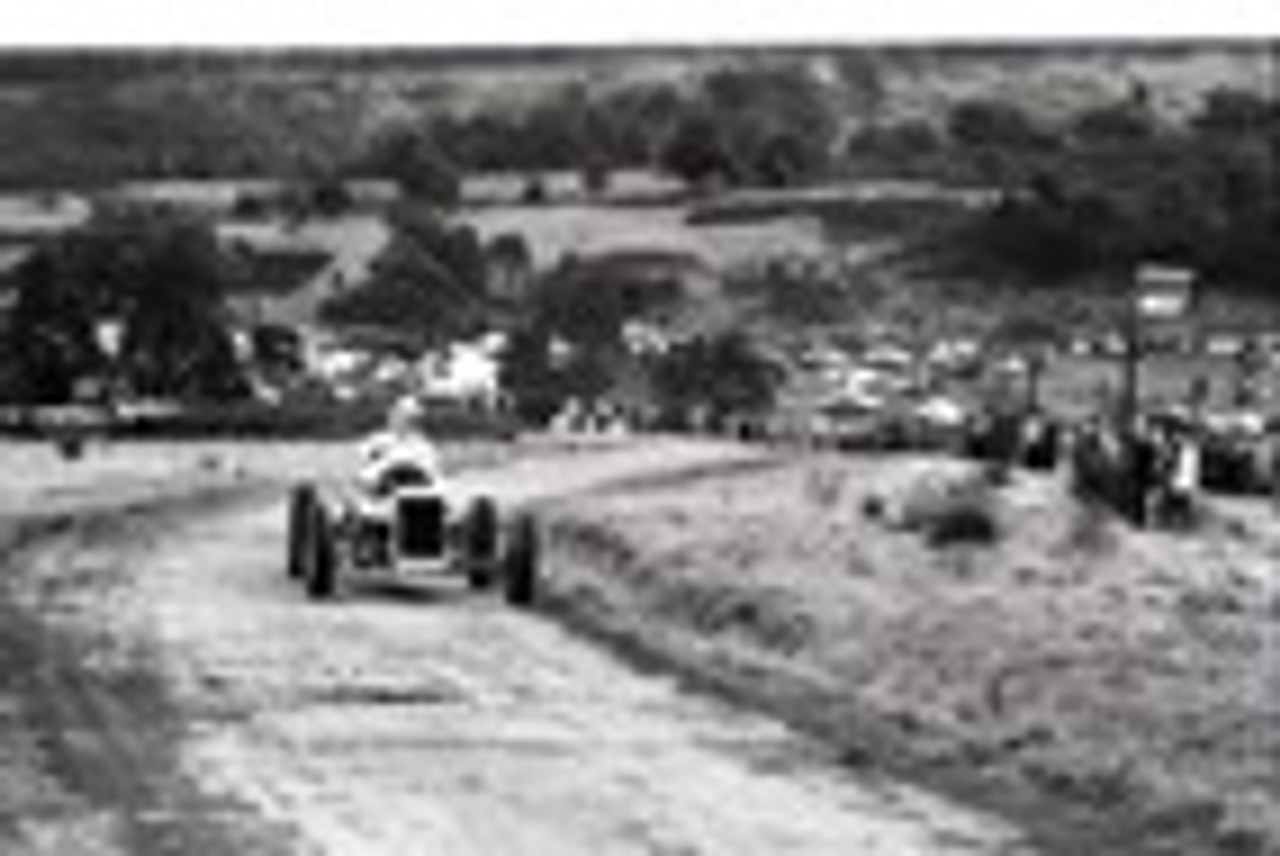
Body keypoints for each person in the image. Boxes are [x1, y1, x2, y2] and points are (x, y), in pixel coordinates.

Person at [358, 395, 444, 495]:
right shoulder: (377, 440)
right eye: (402, 415)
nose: (408, 421)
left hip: (416, 490)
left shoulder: (423, 444)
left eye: (412, 418)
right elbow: (365, 467)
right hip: (382, 488)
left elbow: (431, 471)